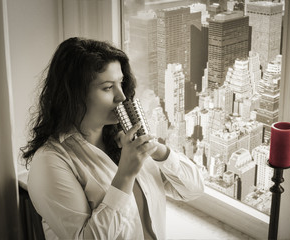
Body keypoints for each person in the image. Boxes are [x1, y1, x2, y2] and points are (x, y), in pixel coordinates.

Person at [21, 37, 205, 240]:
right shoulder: (50, 162)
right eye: (108, 87)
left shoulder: (128, 142)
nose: (122, 97)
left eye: (121, 84)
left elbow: (193, 189)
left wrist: (157, 149)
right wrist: (125, 174)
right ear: (74, 95)